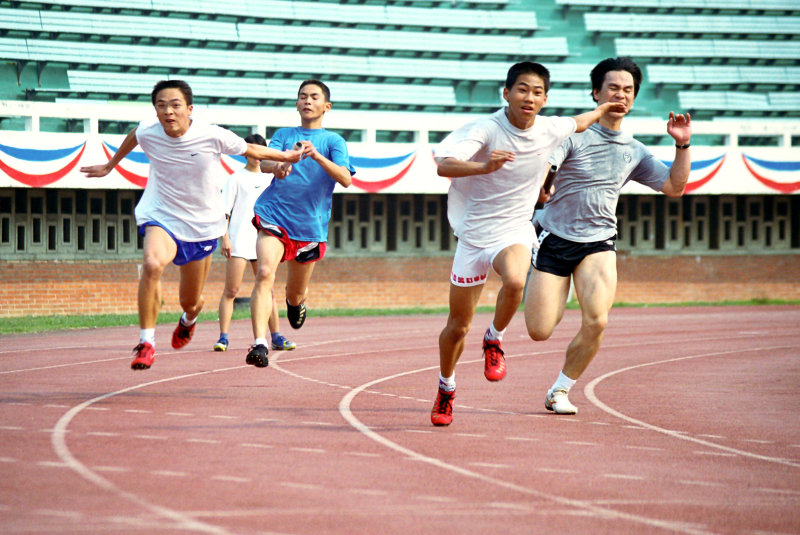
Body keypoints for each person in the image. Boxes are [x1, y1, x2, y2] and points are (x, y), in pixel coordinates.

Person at [430, 61, 626, 426]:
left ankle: (494, 339)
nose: (529, 97)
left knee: (516, 279)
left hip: (514, 229)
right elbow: (445, 165)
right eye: (522, 89)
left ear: (545, 99)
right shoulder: (486, 129)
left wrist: (603, 108)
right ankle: (446, 388)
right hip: (472, 236)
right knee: (457, 327)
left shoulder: (550, 128)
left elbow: (580, 121)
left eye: (537, 92)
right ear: (506, 93)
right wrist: (484, 167)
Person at [80, 80, 303, 370]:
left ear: (189, 108)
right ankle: (146, 343)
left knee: (190, 300)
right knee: (151, 264)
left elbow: (250, 149)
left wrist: (288, 156)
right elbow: (135, 135)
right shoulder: (149, 130)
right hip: (162, 214)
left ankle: (190, 317)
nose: (168, 112)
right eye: (161, 106)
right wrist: (110, 165)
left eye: (175, 105)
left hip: (201, 225)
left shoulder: (210, 134)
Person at [524, 57, 692, 414]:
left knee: (597, 320)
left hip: (599, 242)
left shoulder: (634, 150)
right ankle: (541, 276)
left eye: (628, 90)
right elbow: (548, 164)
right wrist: (545, 184)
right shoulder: (573, 134)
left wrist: (682, 145)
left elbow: (674, 187)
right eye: (613, 88)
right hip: (555, 237)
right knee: (540, 330)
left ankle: (560, 390)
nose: (620, 95)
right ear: (595, 93)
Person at [244, 79, 354, 368]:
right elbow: (264, 163)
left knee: (295, 293)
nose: (307, 100)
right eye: (303, 96)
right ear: (296, 103)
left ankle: (296, 303)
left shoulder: (333, 141)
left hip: (309, 227)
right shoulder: (284, 135)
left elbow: (345, 178)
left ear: (326, 106)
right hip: (274, 214)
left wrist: (316, 156)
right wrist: (278, 166)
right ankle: (259, 344)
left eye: (314, 97)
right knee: (264, 273)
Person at [213, 133, 295, 354]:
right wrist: (225, 238)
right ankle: (223, 337)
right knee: (231, 290)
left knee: (267, 289)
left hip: (264, 240)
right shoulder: (235, 179)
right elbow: (224, 212)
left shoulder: (271, 178)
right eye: (252, 150)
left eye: (260, 150)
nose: (256, 155)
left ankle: (276, 335)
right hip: (239, 241)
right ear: (245, 153)